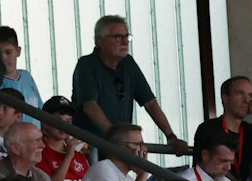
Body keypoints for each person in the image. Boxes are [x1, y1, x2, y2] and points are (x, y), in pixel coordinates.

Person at [69, 14, 183, 149]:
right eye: (118, 37)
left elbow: (150, 102)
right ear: (100, 41)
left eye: (126, 37)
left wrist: (170, 136)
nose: (125, 42)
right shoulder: (86, 64)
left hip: (118, 147)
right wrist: (115, 136)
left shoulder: (128, 64)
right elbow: (90, 106)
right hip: (91, 148)